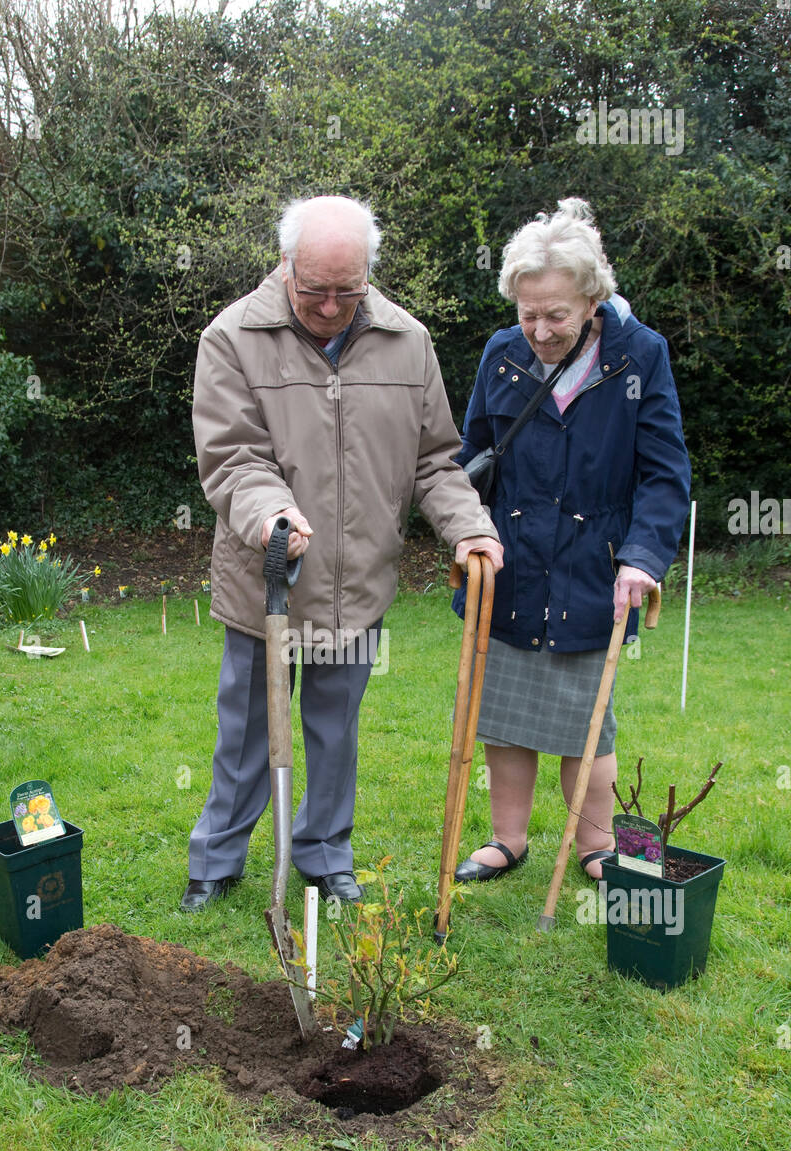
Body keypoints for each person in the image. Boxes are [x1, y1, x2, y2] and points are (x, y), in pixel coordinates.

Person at [181, 194, 503, 910]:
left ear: (369, 274)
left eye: (347, 290)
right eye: (315, 289)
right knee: (247, 735)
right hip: (267, 581)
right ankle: (217, 860)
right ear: (286, 265)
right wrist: (270, 515)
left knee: (334, 734)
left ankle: (325, 856)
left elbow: (436, 462)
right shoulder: (232, 337)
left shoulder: (406, 341)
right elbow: (231, 458)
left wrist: (470, 527)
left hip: (357, 586)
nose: (330, 306)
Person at [452, 197, 690, 887]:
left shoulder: (640, 356)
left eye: (556, 314)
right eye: (528, 312)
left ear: (593, 298)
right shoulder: (502, 353)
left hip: (593, 569)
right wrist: (470, 529)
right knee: (505, 716)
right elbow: (472, 454)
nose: (540, 329)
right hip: (512, 565)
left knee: (588, 720)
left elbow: (665, 473)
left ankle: (596, 847)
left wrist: (643, 559)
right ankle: (508, 841)